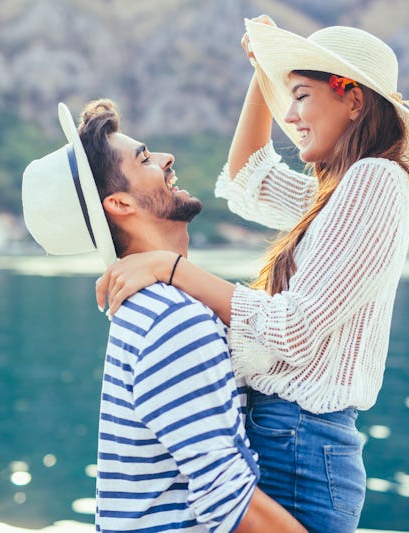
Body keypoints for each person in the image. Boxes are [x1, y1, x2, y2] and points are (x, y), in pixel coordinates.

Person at [94, 16, 409, 533]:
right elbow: (247, 178)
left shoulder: (375, 181)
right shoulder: (334, 195)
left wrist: (172, 268)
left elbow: (293, 328)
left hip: (303, 445)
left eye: (302, 96)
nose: (288, 114)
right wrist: (265, 69)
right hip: (286, 437)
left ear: (354, 101)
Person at [22, 99, 305, 533]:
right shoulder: (173, 320)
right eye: (144, 158)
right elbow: (226, 500)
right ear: (119, 204)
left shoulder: (151, 307)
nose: (166, 157)